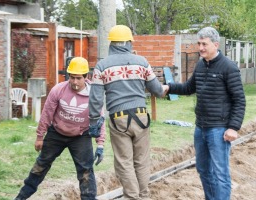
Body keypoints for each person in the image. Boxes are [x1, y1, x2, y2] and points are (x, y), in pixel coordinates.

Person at [163, 27, 246, 200]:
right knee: (203, 169)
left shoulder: (228, 67)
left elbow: (239, 100)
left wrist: (233, 127)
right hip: (200, 128)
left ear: (215, 45)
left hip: (219, 129)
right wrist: (169, 87)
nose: (200, 47)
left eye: (204, 44)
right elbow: (188, 87)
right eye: (199, 43)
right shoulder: (200, 64)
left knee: (220, 173)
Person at [88, 25, 164, 200]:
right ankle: (144, 196)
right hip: (141, 117)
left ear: (111, 44)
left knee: (124, 162)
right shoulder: (142, 62)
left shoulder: (102, 66)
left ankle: (132, 197)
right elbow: (157, 90)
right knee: (141, 161)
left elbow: (95, 99)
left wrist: (93, 122)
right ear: (129, 42)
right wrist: (163, 88)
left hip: (119, 118)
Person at [14, 57, 106, 200]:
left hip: (81, 135)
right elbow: (47, 113)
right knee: (41, 165)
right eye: (72, 77)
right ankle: (21, 197)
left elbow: (99, 120)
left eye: (78, 78)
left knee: (86, 173)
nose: (74, 82)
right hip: (56, 133)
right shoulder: (58, 90)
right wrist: (40, 136)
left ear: (86, 77)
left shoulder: (93, 95)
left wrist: (100, 144)